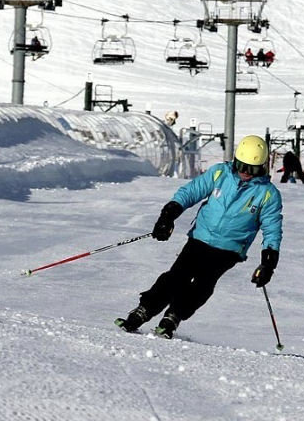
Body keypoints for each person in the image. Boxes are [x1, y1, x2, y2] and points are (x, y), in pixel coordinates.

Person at [115, 135, 284, 339]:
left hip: (229, 248)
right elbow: (190, 192)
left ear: (262, 167)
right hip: (200, 238)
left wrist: (268, 262)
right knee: (177, 276)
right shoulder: (220, 173)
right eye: (241, 166)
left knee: (203, 282)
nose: (245, 173)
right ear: (235, 161)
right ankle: (143, 310)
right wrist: (168, 215)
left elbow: (272, 228)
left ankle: (174, 315)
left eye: (252, 169)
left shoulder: (267, 194)